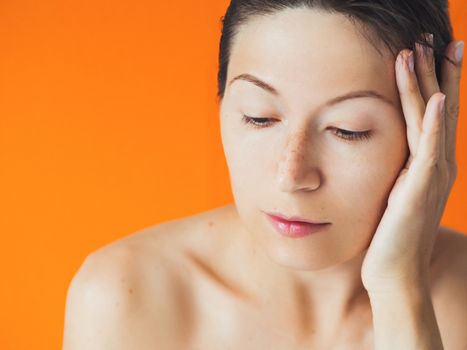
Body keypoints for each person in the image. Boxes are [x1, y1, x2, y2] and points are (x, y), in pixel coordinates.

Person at [62, 1, 467, 349]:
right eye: (259, 117)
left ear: (430, 131)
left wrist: (399, 290)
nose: (291, 175)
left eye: (349, 129)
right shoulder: (126, 296)